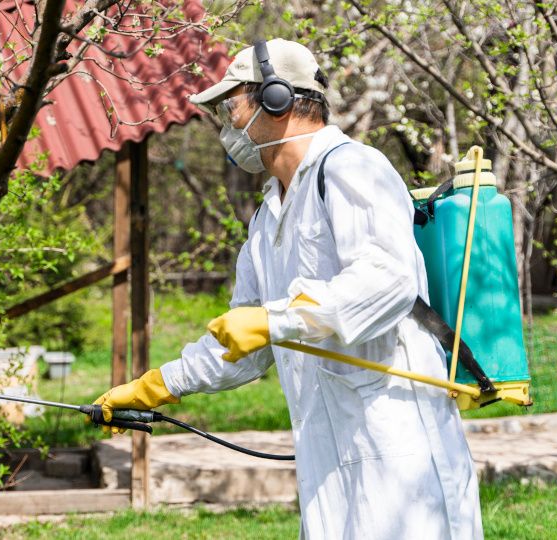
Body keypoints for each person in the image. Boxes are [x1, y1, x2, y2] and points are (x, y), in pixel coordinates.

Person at [91, 39, 483, 539]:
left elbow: (389, 281)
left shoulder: (352, 167)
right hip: (326, 461)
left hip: (400, 454)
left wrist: (277, 321)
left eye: (232, 106)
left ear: (277, 99)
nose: (228, 125)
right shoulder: (266, 217)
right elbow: (246, 344)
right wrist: (156, 387)